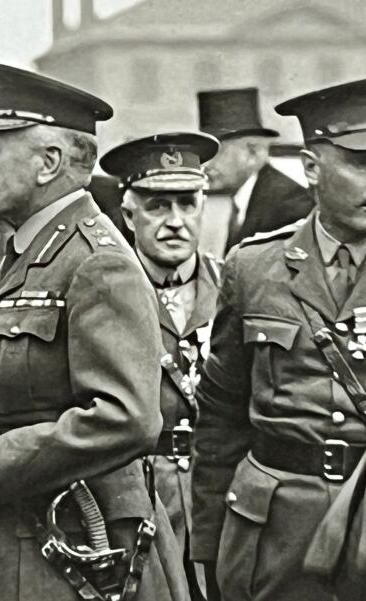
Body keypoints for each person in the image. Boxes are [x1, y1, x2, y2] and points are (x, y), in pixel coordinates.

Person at [0, 61, 190, 601]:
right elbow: (0, 407)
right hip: (29, 538)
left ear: (47, 162)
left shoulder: (96, 263)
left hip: (85, 553)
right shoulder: (30, 253)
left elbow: (128, 416)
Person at [191, 78, 366, 601]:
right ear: (312, 168)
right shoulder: (253, 267)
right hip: (274, 534)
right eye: (361, 162)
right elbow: (220, 418)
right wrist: (206, 544)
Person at [100, 132, 221, 600]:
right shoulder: (104, 291)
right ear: (129, 215)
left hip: (219, 503)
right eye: (157, 206)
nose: (175, 222)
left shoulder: (234, 285)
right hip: (143, 503)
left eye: (187, 204)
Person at [197, 87, 313, 255]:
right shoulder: (249, 197)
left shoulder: (291, 206)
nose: (205, 164)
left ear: (253, 152)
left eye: (216, 151)